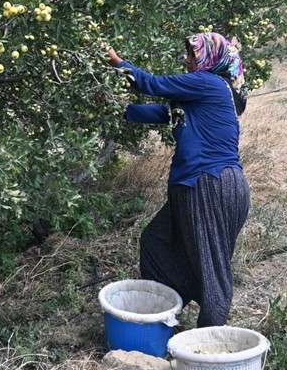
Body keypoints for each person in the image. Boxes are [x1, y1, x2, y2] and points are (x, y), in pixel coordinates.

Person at [106, 32, 251, 328]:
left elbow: (153, 84)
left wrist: (115, 61)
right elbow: (159, 112)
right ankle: (167, 313)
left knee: (212, 269)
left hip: (208, 183)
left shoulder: (208, 82)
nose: (186, 60)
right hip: (200, 185)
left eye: (192, 55)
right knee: (155, 240)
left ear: (210, 59)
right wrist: (112, 108)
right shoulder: (198, 98)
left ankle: (207, 349)